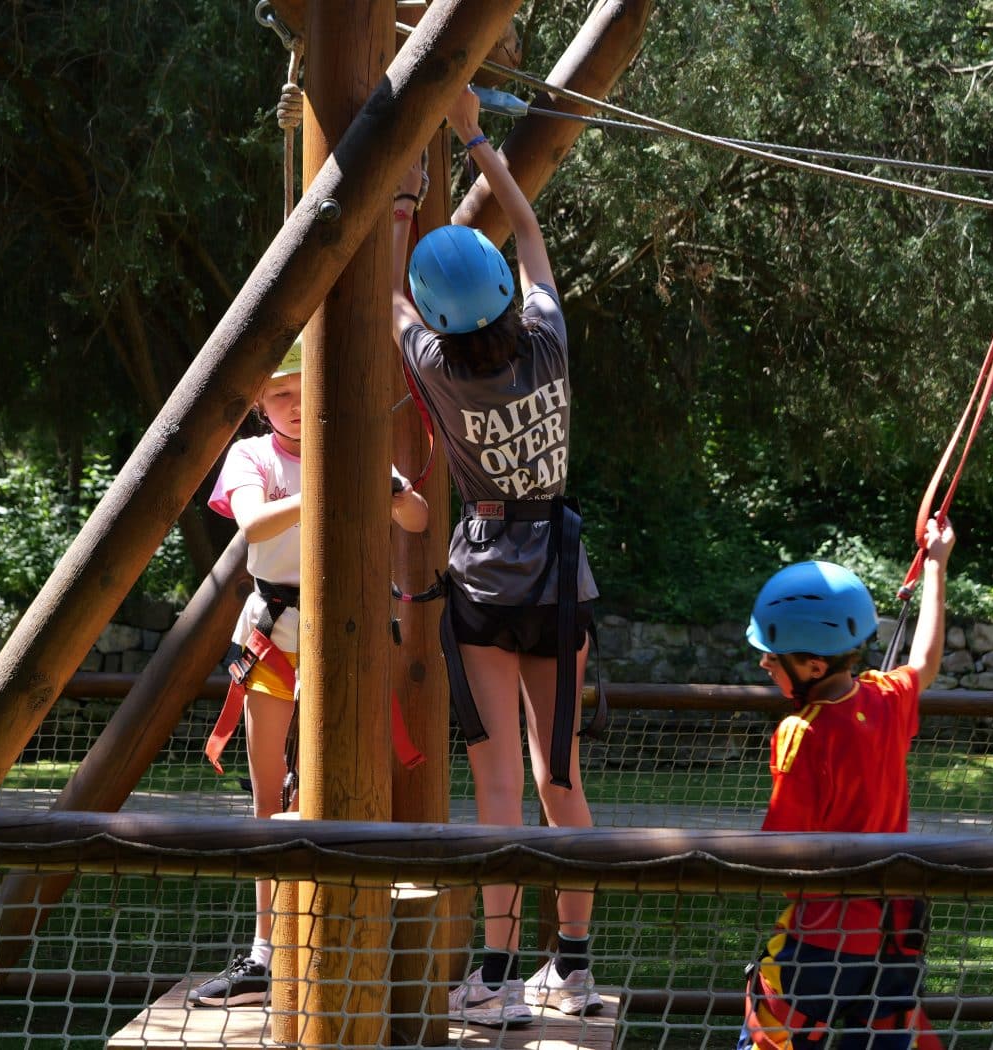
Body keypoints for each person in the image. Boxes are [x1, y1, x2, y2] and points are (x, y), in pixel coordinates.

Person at [390, 87, 603, 1028]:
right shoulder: (548, 339)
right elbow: (529, 231)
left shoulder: (437, 367)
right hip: (560, 578)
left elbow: (388, 298)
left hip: (485, 580)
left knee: (500, 787)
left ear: (443, 316)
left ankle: (498, 978)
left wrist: (402, 205)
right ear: (506, 295)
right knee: (561, 776)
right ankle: (575, 967)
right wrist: (475, 134)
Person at [188, 337, 429, 1007]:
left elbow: (417, 517)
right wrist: (329, 480)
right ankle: (264, 951)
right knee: (268, 794)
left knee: (350, 785)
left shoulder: (354, 449)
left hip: (347, 637)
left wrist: (389, 487)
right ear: (260, 404)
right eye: (280, 394)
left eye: (304, 390)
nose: (294, 405)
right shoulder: (252, 456)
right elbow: (254, 525)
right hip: (275, 637)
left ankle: (349, 938)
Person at [739, 516, 956, 1050]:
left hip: (822, 937)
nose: (764, 663)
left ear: (813, 666)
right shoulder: (887, 697)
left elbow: (779, 850)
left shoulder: (800, 732)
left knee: (770, 1038)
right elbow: (925, 663)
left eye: (772, 655)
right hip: (895, 937)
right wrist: (937, 565)